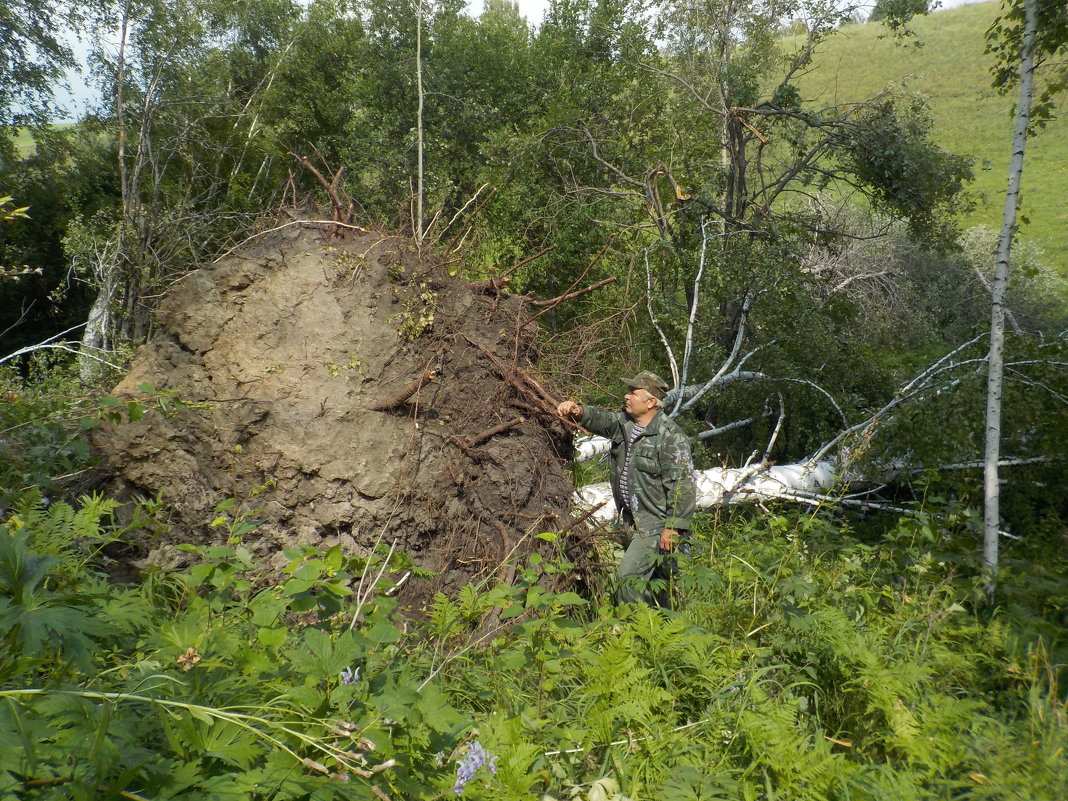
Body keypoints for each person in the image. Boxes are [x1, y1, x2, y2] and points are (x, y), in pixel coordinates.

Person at [557, 371, 696, 606]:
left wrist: (673, 527)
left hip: (654, 523)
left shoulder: (671, 438)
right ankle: (663, 631)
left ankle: (631, 634)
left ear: (651, 401)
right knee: (659, 585)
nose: (627, 396)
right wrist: (577, 410)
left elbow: (683, 485)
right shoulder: (624, 424)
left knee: (628, 581)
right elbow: (600, 418)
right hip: (630, 520)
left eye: (634, 392)